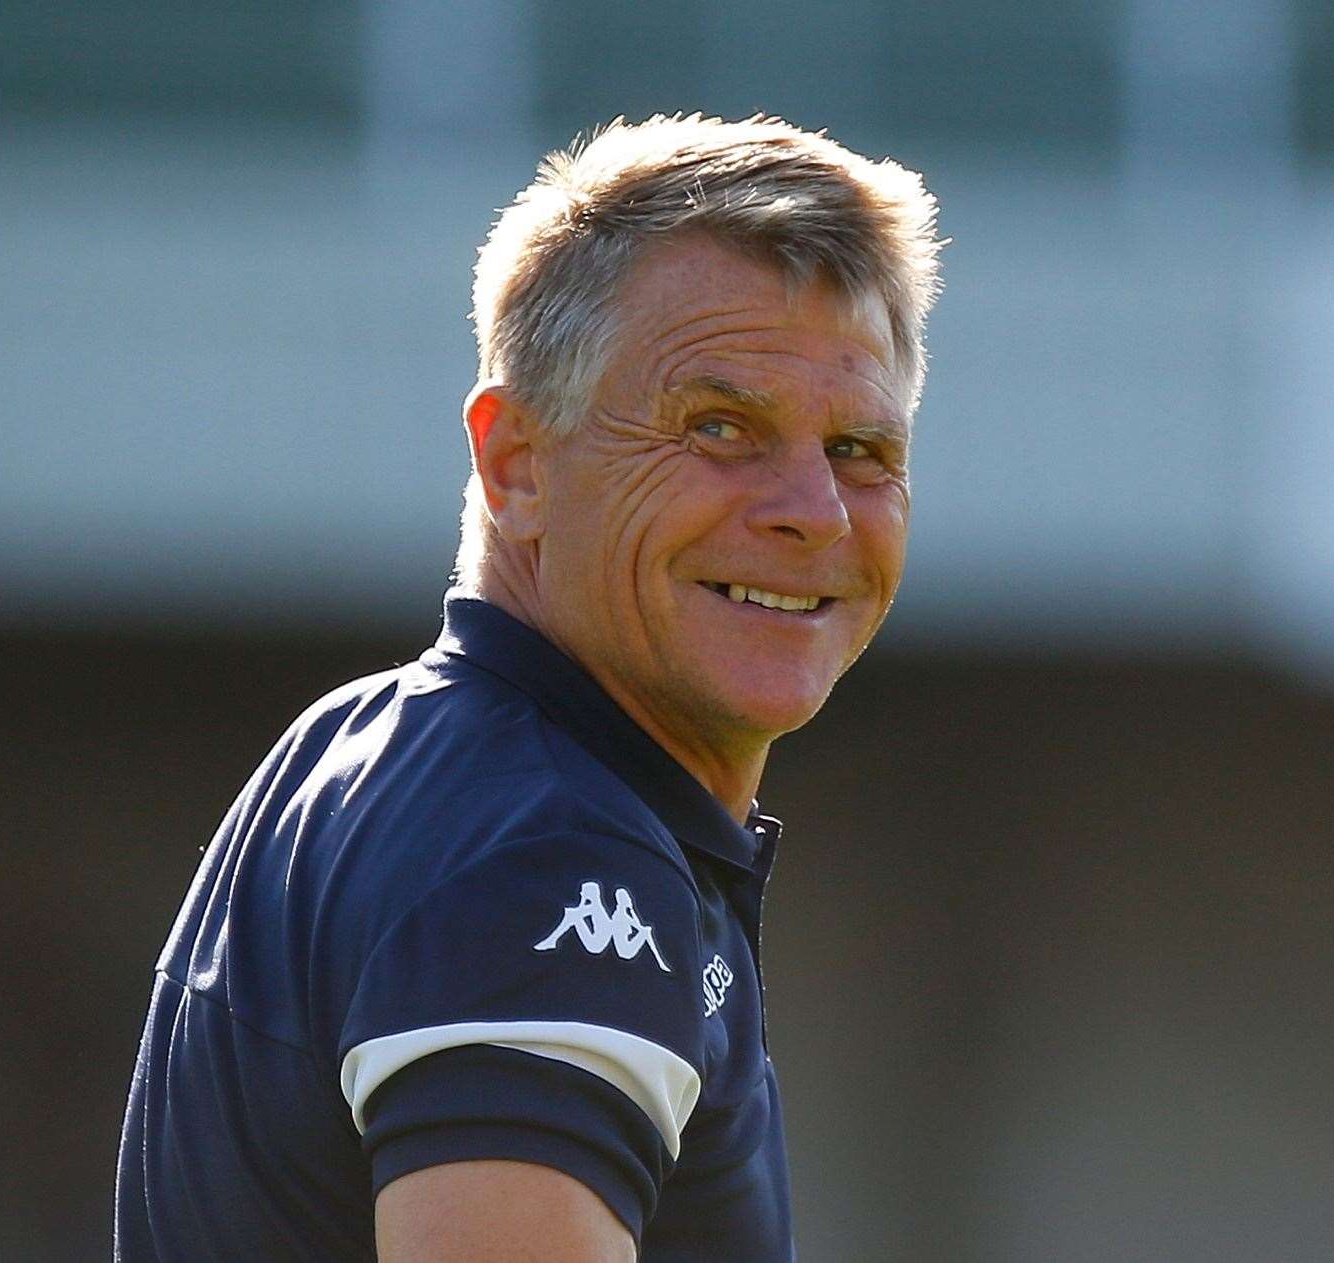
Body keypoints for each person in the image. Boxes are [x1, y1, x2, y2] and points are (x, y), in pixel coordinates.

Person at [115, 112, 943, 1262]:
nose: (812, 508)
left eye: (862, 450)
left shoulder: (373, 755)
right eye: (720, 427)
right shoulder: (552, 854)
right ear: (518, 468)